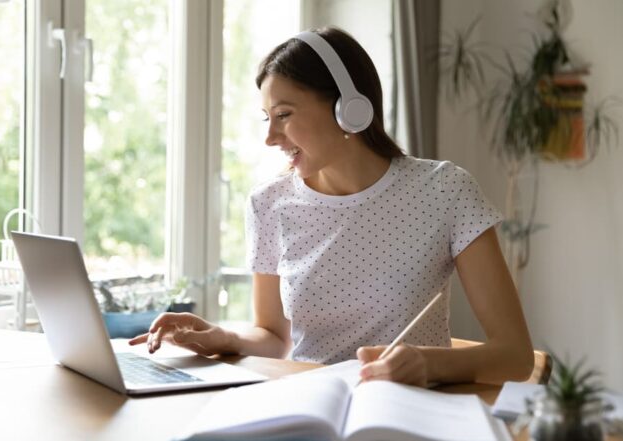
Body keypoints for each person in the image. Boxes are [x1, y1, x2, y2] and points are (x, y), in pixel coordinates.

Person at [130, 27, 534, 387]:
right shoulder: (268, 204)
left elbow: (514, 356)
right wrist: (225, 338)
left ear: (349, 108)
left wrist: (428, 364)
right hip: (308, 410)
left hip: (407, 415)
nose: (270, 137)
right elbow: (272, 336)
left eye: (284, 115)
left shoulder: (447, 191)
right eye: (266, 118)